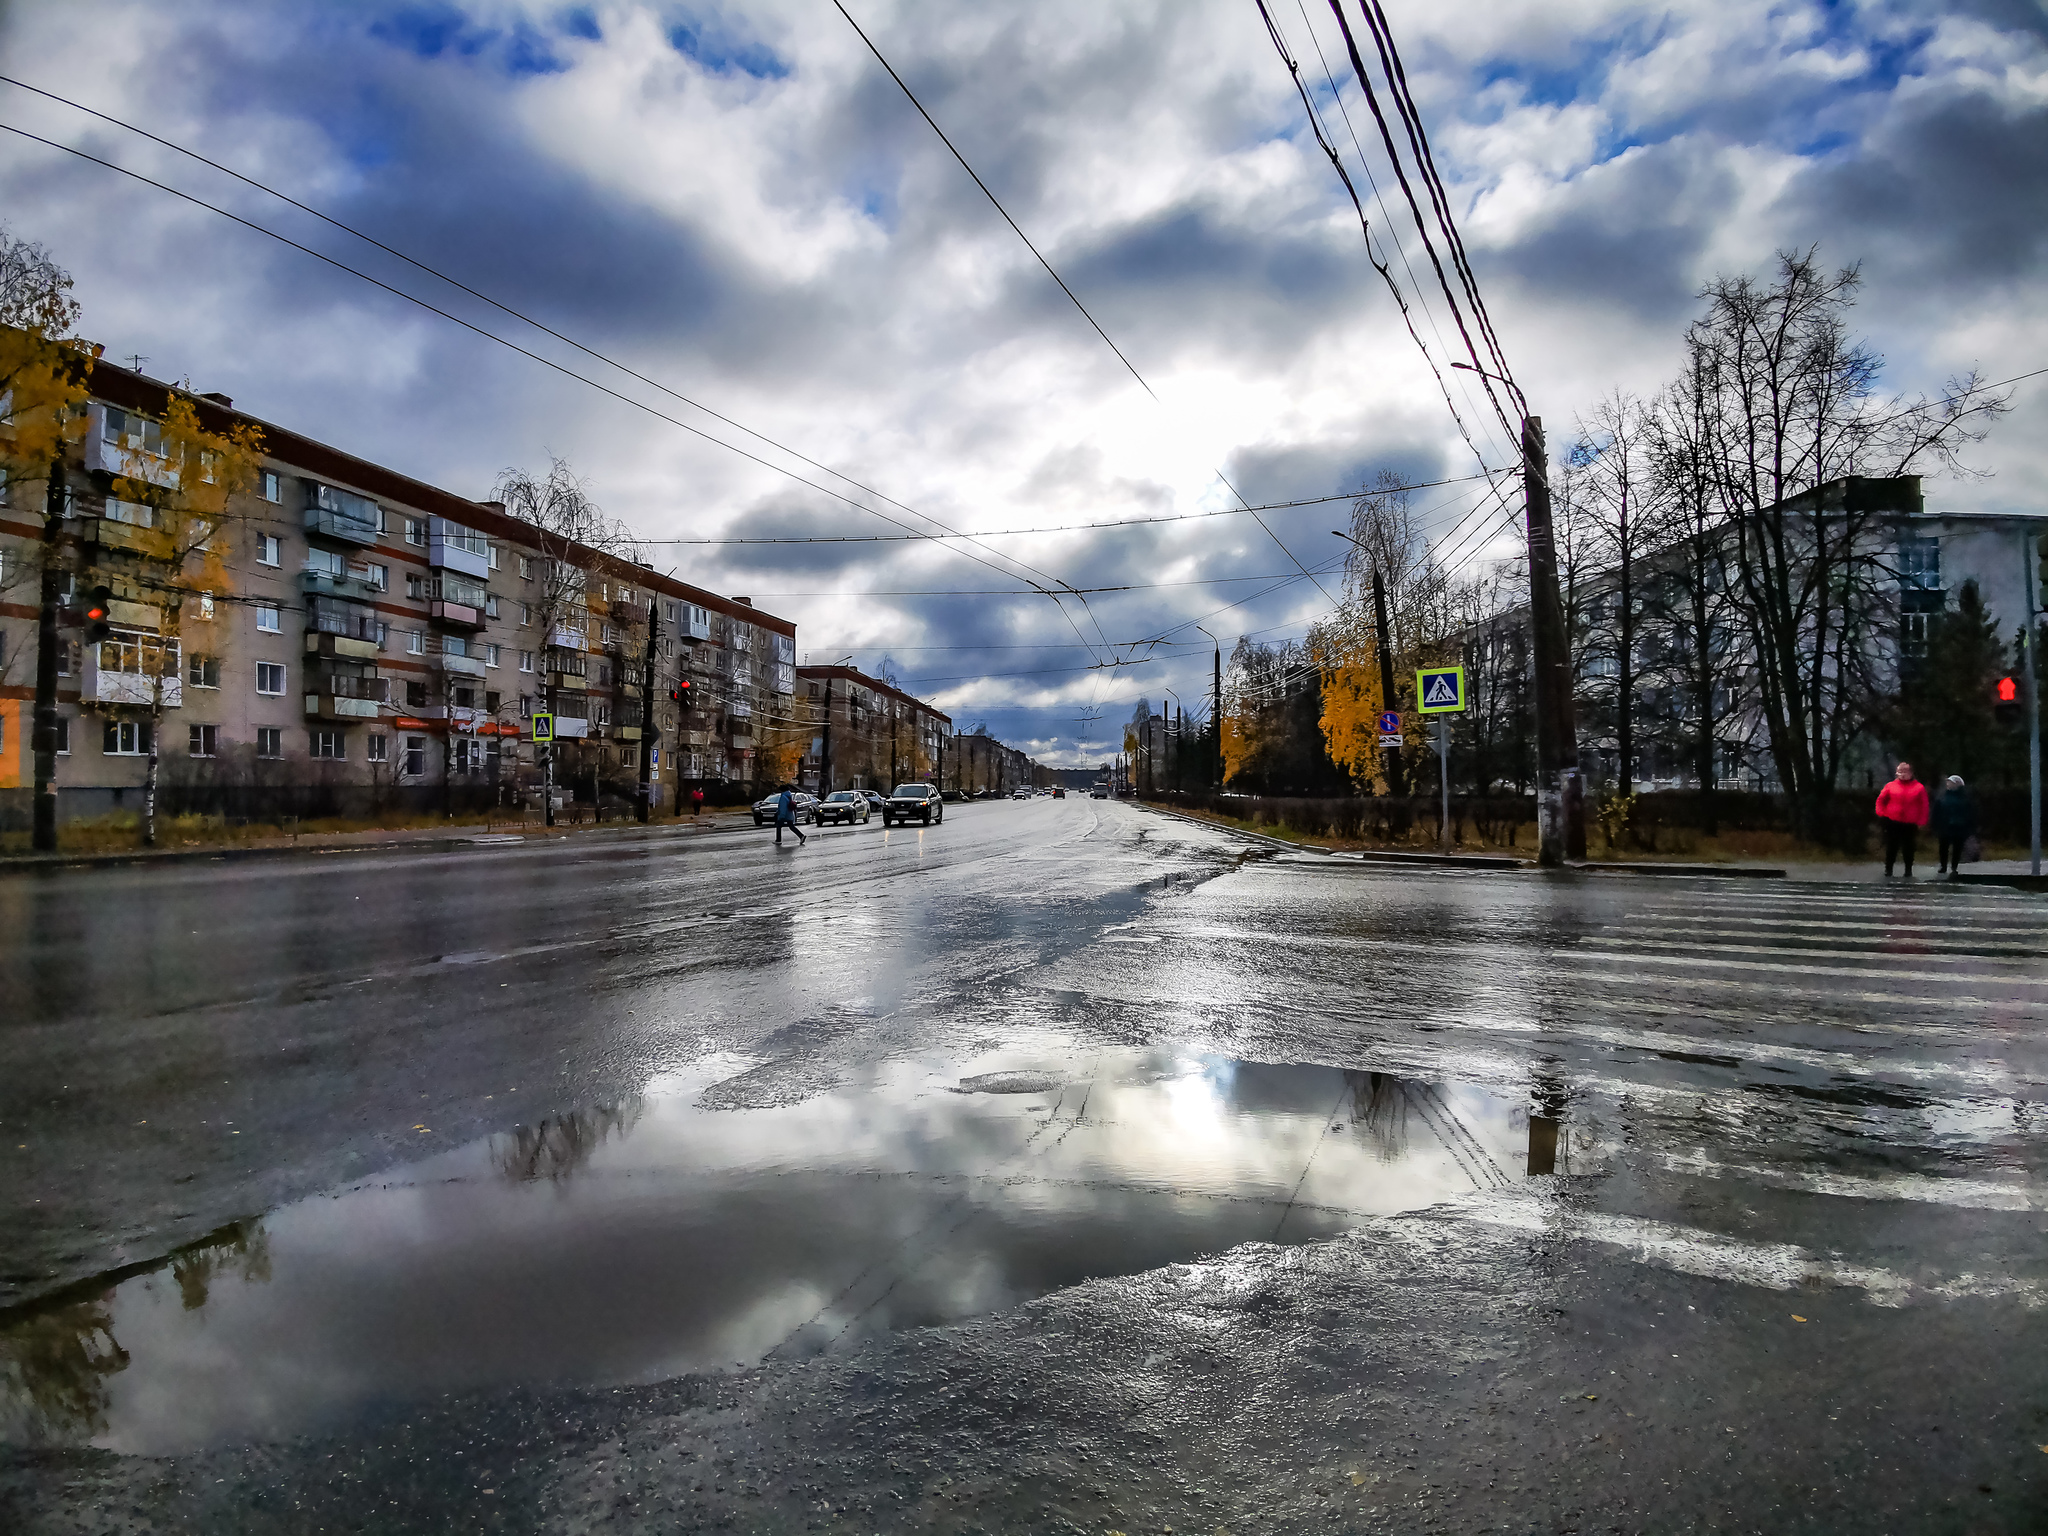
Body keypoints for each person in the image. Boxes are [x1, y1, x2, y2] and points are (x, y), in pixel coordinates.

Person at [1874, 761, 1929, 878]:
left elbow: (1924, 806)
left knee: (1909, 847)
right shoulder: (1890, 786)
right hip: (1892, 821)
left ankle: (1908, 869)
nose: (1902, 774)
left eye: (1905, 772)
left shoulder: (1919, 788)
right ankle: (1888, 869)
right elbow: (1880, 800)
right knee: (1891, 846)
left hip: (1910, 823)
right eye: (1900, 772)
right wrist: (1882, 813)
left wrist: (1921, 821)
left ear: (1911, 773)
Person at [1932, 774, 1976, 878]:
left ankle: (1954, 867)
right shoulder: (1942, 798)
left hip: (1959, 827)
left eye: (1950, 782)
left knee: (1957, 848)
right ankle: (1943, 866)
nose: (1948, 784)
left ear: (1957, 784)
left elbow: (1971, 814)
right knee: (1943, 847)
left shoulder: (1965, 799)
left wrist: (1970, 827)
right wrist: (1935, 825)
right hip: (1945, 827)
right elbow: (1936, 812)